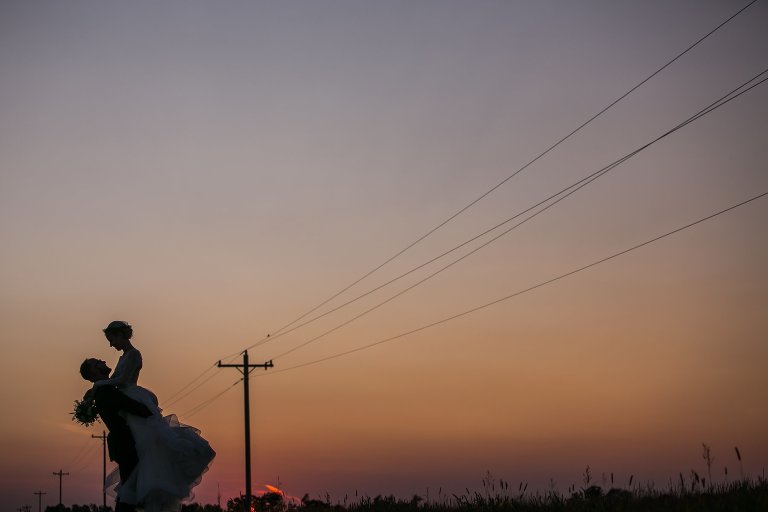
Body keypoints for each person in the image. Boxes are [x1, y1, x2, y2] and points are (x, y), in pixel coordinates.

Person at [84, 321, 216, 512]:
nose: (111, 344)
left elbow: (121, 380)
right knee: (142, 454)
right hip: (127, 402)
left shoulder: (134, 355)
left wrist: (97, 385)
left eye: (111, 339)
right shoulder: (122, 359)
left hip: (133, 395)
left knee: (148, 446)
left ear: (121, 335)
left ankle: (135, 496)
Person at [79, 358, 152, 512]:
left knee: (131, 487)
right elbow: (132, 407)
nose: (102, 360)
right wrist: (150, 409)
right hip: (127, 445)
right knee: (130, 489)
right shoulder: (106, 392)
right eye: (96, 362)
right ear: (93, 371)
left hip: (124, 444)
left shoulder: (104, 389)